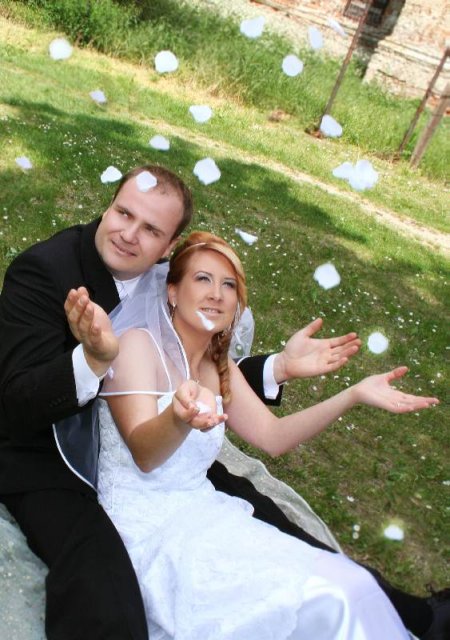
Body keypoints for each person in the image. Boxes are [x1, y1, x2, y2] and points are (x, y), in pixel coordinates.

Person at [0, 164, 363, 640]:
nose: (129, 234)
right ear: (108, 206)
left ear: (169, 246)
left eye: (151, 229)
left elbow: (186, 362)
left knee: (281, 529)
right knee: (103, 591)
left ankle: (415, 617)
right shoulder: (45, 270)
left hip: (163, 442)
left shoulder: (162, 280)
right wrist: (93, 360)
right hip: (45, 454)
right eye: (123, 213)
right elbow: (17, 401)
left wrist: (276, 368)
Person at [94, 231, 439, 639]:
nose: (217, 293)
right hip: (149, 530)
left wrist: (352, 395)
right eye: (203, 279)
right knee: (322, 602)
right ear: (172, 291)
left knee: (353, 586)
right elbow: (145, 454)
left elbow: (274, 437)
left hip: (206, 515)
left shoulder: (217, 365)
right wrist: (178, 418)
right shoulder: (138, 345)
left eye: (229, 285)